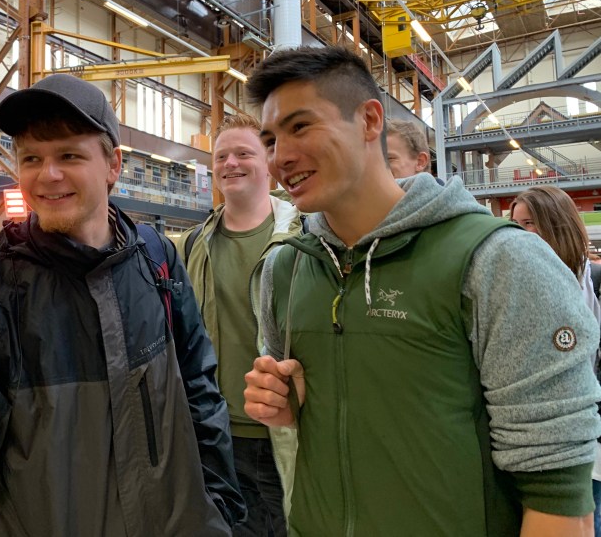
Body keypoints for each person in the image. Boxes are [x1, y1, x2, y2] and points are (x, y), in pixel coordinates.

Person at [242, 45, 601, 536]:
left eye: (300, 126)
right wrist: (286, 405)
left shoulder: (497, 260)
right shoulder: (286, 269)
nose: (280, 156)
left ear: (370, 121)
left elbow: (558, 497)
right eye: (269, 139)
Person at [0, 74, 244, 536]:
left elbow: (199, 391)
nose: (47, 175)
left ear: (112, 165)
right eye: (31, 158)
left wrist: (219, 511)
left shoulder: (156, 262)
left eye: (69, 156)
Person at [178, 114, 303, 537]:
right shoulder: (193, 245)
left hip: (287, 434)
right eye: (221, 156)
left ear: (269, 162)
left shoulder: (305, 237)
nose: (230, 163)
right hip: (218, 435)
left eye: (243, 153)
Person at [510, 185, 601, 536]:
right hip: (532, 440)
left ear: (556, 224)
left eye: (529, 223)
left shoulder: (589, 279)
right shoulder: (514, 282)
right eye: (515, 224)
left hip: (585, 432)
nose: (520, 233)